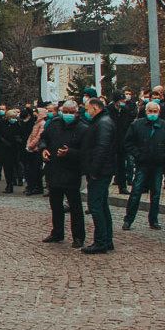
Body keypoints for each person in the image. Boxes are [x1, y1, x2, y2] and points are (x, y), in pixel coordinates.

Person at [40, 100, 88, 247]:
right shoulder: (54, 124)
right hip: (54, 169)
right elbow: (44, 139)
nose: (67, 115)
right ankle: (57, 232)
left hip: (71, 171)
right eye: (65, 112)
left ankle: (78, 236)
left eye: (70, 112)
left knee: (75, 206)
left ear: (76, 113)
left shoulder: (83, 128)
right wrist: (44, 149)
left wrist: (70, 153)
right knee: (55, 204)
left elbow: (86, 152)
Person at [121, 101, 165, 232]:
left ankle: (153, 220)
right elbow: (128, 142)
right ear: (146, 111)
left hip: (158, 165)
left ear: (159, 112)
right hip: (142, 164)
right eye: (150, 111)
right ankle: (128, 219)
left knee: (156, 194)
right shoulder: (137, 124)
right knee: (136, 192)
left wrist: (164, 157)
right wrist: (138, 155)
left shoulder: (164, 126)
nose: (153, 114)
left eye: (155, 111)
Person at [79, 98, 116, 254]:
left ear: (95, 108)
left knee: (96, 206)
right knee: (101, 205)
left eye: (88, 109)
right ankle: (106, 240)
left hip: (100, 171)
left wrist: (94, 170)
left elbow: (102, 148)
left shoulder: (103, 123)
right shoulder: (102, 121)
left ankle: (101, 241)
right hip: (102, 169)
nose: (87, 112)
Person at [0, 109, 24, 193]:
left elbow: (21, 135)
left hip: (15, 149)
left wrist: (17, 140)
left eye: (14, 117)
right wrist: (2, 142)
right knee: (7, 168)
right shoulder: (1, 124)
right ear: (7, 117)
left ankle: (18, 179)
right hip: (4, 149)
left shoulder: (17, 124)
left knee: (16, 166)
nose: (13, 119)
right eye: (11, 117)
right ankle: (9, 184)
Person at [23, 104, 48, 196]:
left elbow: (38, 136)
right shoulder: (36, 123)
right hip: (32, 149)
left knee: (35, 170)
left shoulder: (42, 124)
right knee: (32, 169)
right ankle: (35, 187)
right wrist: (28, 144)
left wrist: (31, 145)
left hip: (36, 150)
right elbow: (31, 135)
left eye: (37, 113)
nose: (35, 114)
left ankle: (35, 187)